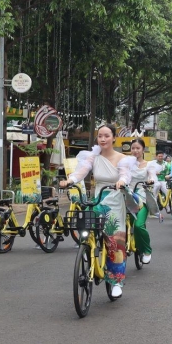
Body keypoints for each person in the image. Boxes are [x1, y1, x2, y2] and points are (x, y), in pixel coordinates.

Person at [59, 125, 132, 299]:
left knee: (114, 238)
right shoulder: (93, 156)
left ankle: (115, 282)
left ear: (114, 138)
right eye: (100, 136)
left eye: (107, 136)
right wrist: (70, 180)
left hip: (114, 200)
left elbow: (125, 175)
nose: (103, 139)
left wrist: (121, 182)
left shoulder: (123, 158)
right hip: (98, 199)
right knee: (88, 226)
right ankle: (89, 251)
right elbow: (81, 172)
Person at [129, 139, 154, 264]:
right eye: (133, 148)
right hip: (126, 195)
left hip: (142, 197)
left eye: (138, 148)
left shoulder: (149, 165)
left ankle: (146, 250)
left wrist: (150, 180)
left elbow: (152, 175)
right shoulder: (125, 164)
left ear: (143, 149)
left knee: (138, 225)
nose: (135, 151)